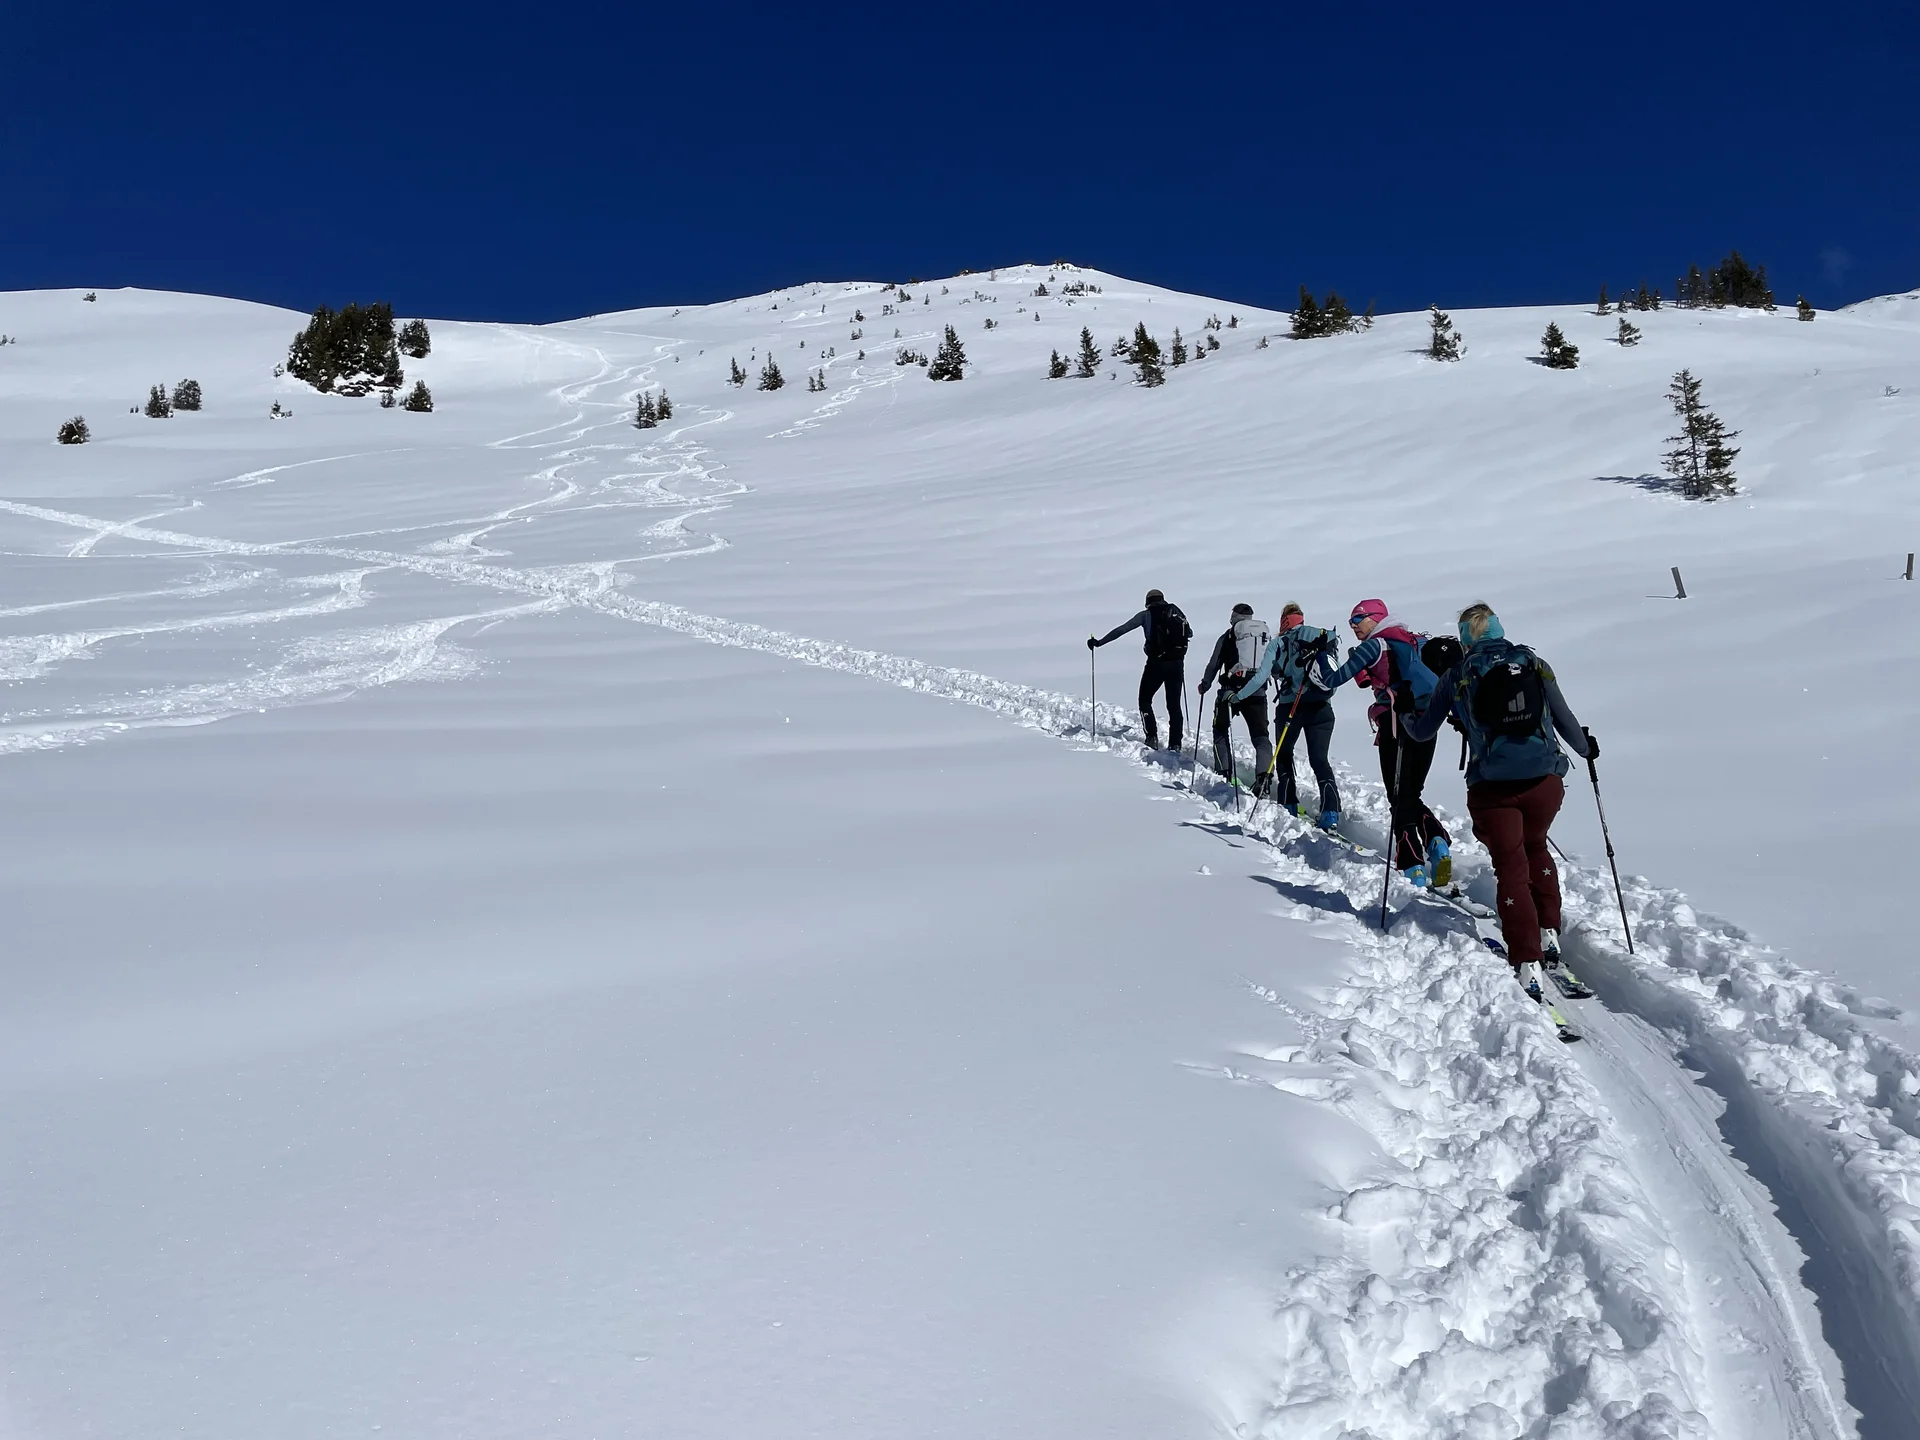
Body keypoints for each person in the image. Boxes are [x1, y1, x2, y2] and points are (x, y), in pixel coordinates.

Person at [1405, 603, 1596, 978]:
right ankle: (1548, 930)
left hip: (1493, 787)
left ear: (1464, 636)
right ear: (1497, 628)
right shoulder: (1533, 664)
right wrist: (1587, 749)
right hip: (1545, 782)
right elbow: (1565, 718)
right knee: (1536, 845)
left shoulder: (1458, 674)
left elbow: (1423, 730)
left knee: (1510, 865)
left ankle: (1526, 958)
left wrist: (1406, 716)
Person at [1308, 598, 1451, 887]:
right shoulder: (1413, 640)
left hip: (1394, 725)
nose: (1353, 626)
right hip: (1427, 721)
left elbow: (1332, 680)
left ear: (1376, 618)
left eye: (1358, 619)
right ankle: (1437, 841)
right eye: (1351, 621)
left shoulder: (1374, 646)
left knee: (1397, 795)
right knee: (1412, 792)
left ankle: (1413, 865)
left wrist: (1323, 655)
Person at [1231, 604, 1340, 825]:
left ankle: (1288, 801)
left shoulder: (1279, 642)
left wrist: (1238, 696)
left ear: (1284, 621)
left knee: (1284, 752)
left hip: (1291, 705)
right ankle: (1331, 812)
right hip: (1322, 706)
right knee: (1320, 760)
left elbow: (1261, 677)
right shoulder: (1320, 637)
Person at [1089, 589, 1192, 751]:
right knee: (1174, 705)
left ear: (1148, 601)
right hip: (1177, 664)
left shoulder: (1146, 615)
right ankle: (1175, 744)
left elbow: (1122, 629)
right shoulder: (1176, 613)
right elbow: (1189, 633)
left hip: (1155, 664)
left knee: (1145, 699)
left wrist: (1100, 642)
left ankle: (1152, 737)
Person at [1198, 603, 1272, 784]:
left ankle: (1223, 773)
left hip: (1230, 692)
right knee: (1261, 737)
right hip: (1257, 691)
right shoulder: (1262, 636)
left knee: (1221, 730)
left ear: (1234, 617)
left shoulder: (1228, 636)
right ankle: (1264, 780)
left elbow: (1214, 663)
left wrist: (1205, 684)